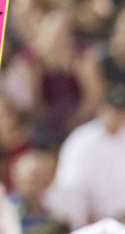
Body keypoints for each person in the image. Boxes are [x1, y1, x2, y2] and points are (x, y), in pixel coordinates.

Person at [48, 86, 125, 228]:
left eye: (121, 111)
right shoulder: (81, 141)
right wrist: (84, 219)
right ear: (103, 109)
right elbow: (70, 185)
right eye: (114, 109)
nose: (117, 115)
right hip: (86, 221)